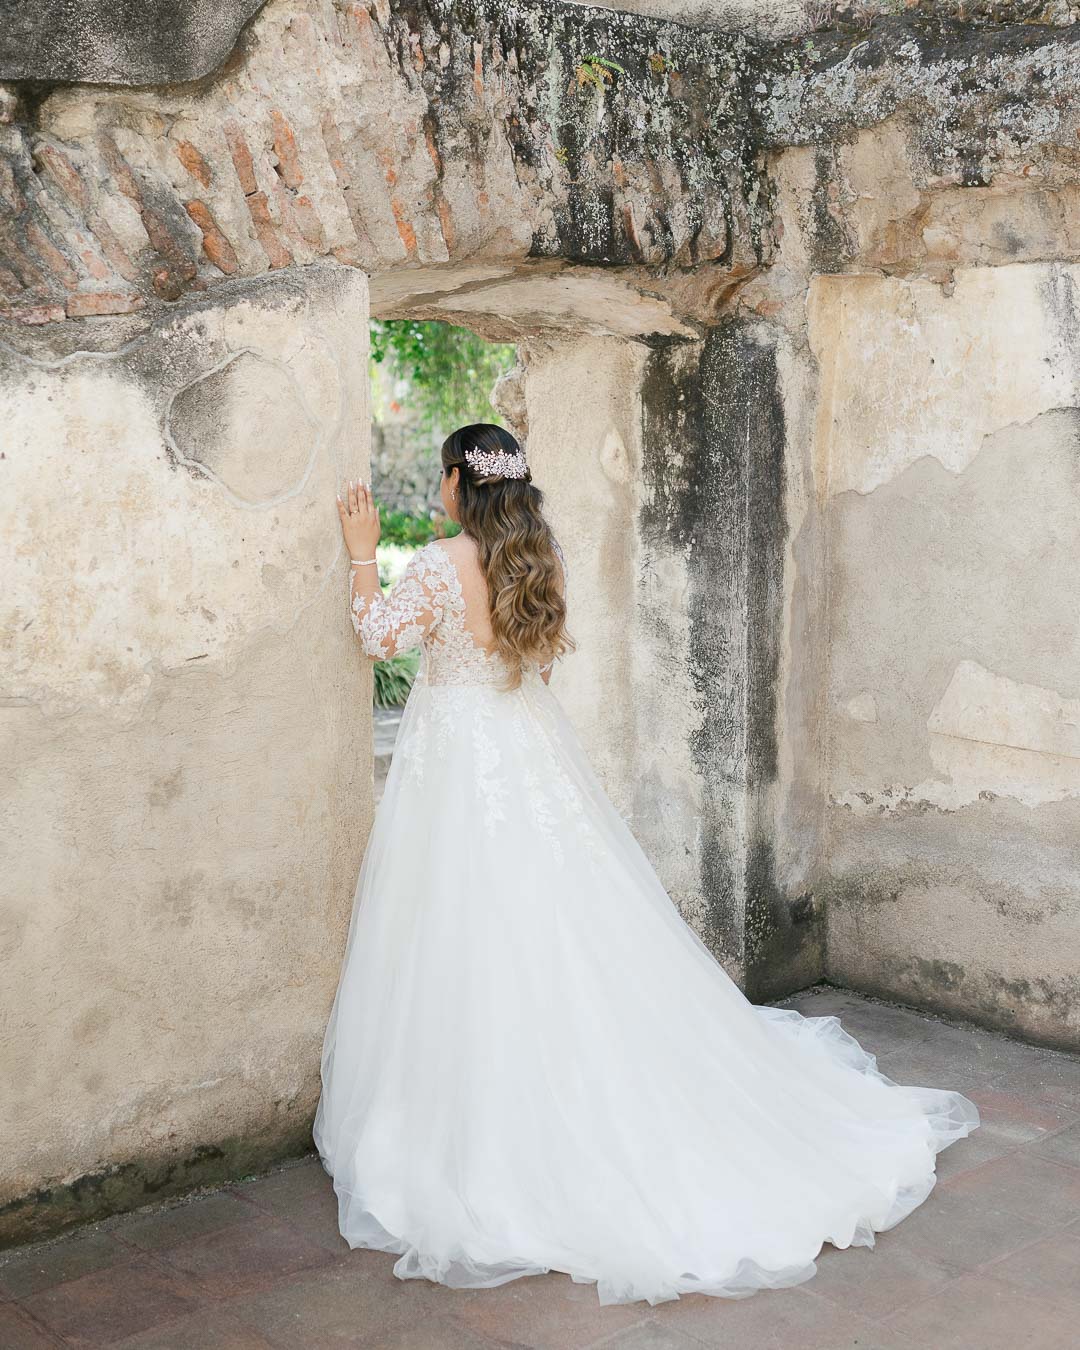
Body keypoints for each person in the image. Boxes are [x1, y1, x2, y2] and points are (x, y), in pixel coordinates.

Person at [314, 423, 979, 1307]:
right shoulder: (537, 556)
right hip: (525, 752)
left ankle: (486, 1115)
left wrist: (362, 552)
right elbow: (535, 667)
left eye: (442, 477)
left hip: (457, 766)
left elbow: (376, 639)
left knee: (462, 924)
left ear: (454, 484)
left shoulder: (439, 564)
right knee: (557, 918)